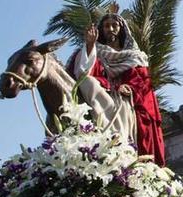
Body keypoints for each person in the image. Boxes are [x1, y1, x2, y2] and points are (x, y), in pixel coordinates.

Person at [70, 11, 166, 165]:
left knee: (122, 109)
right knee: (88, 82)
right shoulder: (97, 51)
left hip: (126, 98)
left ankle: (119, 143)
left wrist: (130, 88)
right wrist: (89, 45)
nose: (110, 29)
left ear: (122, 28)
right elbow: (83, 73)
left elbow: (144, 83)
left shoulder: (135, 56)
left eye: (114, 25)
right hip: (103, 91)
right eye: (107, 26)